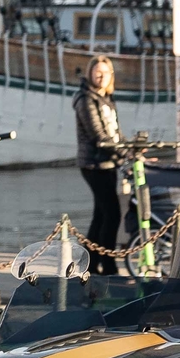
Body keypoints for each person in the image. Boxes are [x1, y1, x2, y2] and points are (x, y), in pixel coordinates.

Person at [75, 55, 124, 255]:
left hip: (109, 164)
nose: (101, 76)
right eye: (98, 73)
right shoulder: (86, 99)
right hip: (94, 164)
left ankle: (92, 263)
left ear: (111, 75)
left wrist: (133, 148)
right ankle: (108, 262)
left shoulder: (106, 99)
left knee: (101, 215)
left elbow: (115, 132)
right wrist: (124, 152)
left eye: (105, 73)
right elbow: (99, 136)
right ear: (90, 74)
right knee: (113, 214)